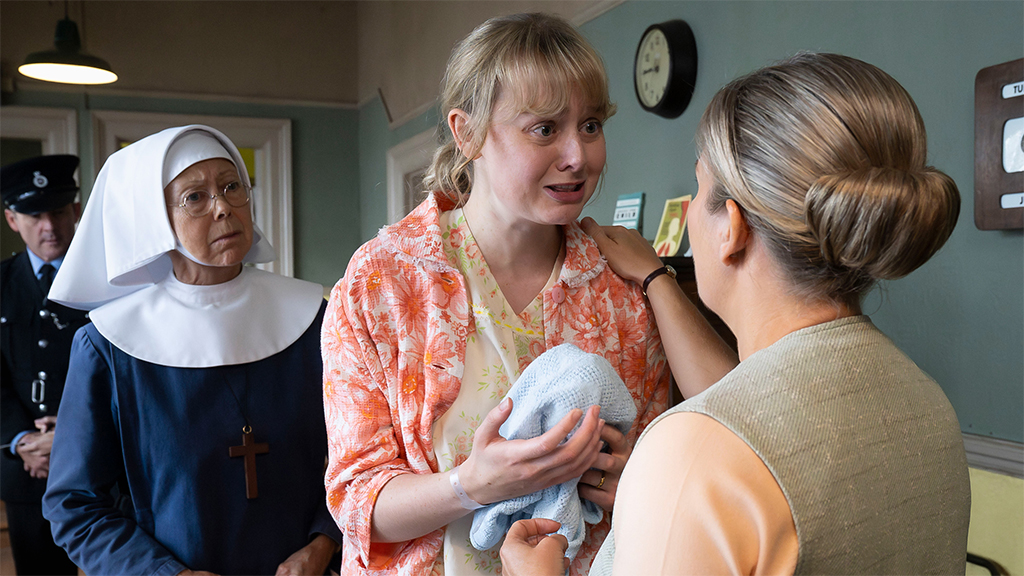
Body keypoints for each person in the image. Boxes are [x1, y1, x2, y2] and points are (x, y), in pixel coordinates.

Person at [501, 52, 972, 575]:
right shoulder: (929, 405)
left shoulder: (698, 454)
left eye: (699, 188)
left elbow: (728, 441)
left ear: (731, 227)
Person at [321, 12, 736, 576]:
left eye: (591, 125)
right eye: (544, 129)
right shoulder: (382, 283)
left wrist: (631, 481)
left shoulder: (617, 289)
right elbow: (356, 500)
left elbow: (689, 447)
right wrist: (471, 485)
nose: (578, 156)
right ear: (467, 133)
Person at [41, 125, 342, 575]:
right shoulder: (108, 345)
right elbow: (75, 505)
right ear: (153, 219)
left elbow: (362, 457)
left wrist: (323, 544)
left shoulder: (314, 318)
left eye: (232, 186)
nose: (223, 207)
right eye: (195, 197)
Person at [1, 154, 87, 576]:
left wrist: (71, 435)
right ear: (12, 220)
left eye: (58, 211)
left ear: (76, 210)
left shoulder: (109, 283)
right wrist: (21, 440)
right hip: (27, 468)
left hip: (100, 462)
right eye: (35, 215)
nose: (49, 226)